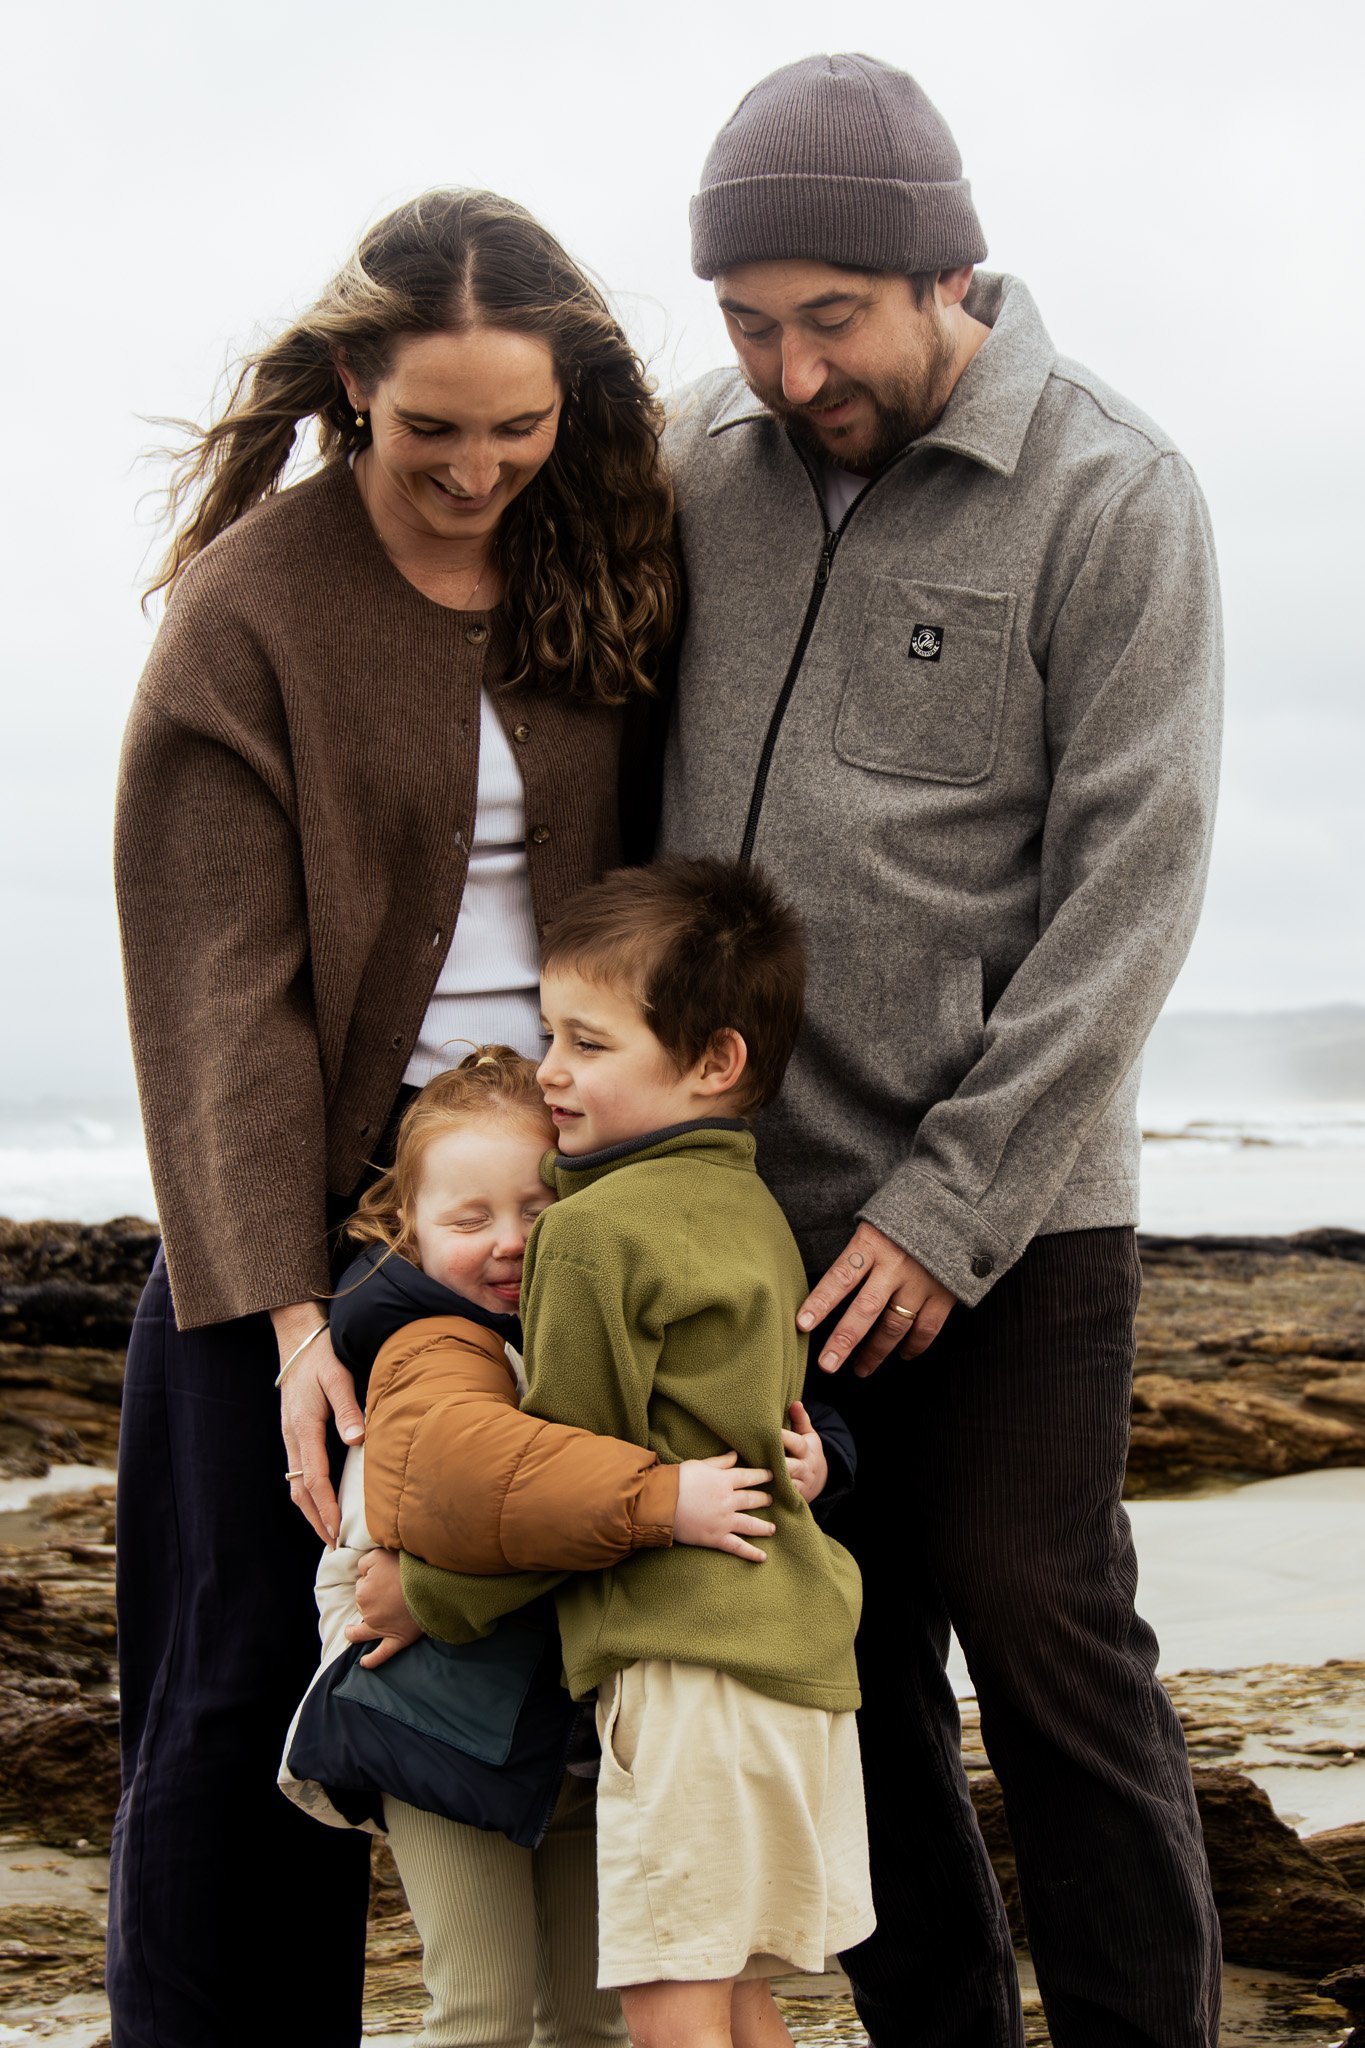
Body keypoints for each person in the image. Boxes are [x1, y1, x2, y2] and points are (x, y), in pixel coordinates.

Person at [659, 53, 1225, 2048]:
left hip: (1011, 1213)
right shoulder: (697, 454)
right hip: (743, 1215)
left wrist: (946, 1207)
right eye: (750, 322)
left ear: (949, 278)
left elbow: (1132, 895)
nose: (789, 368)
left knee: (1046, 1640)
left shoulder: (1114, 491)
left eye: (830, 318)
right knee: (843, 1660)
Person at [110, 187, 678, 2048]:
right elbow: (220, 993)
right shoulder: (251, 607)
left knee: (561, 1664)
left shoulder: (609, 555)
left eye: (519, 427)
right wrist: (296, 1319)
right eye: (433, 426)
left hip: (566, 1218)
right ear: (353, 381)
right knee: (238, 1701)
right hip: (307, 1231)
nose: (477, 469)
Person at [354, 858, 876, 2048]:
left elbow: (574, 1488)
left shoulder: (591, 1234)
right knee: (742, 1994)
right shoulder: (752, 1205)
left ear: (714, 1060)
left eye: (587, 1042)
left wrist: (428, 1593)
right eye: (552, 1034)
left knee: (671, 2003)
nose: (551, 1070)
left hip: (683, 1662)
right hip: (800, 1651)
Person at [281, 1045, 801, 2048]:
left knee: (592, 2020)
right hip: (439, 1717)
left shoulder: (593, 1324)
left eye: (539, 1206)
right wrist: (661, 1497)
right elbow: (484, 1485)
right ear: (409, 1229)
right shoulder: (425, 1345)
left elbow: (732, 1401)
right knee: (481, 2014)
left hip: (570, 1725)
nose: (510, 1242)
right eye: (469, 1219)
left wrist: (824, 1454)